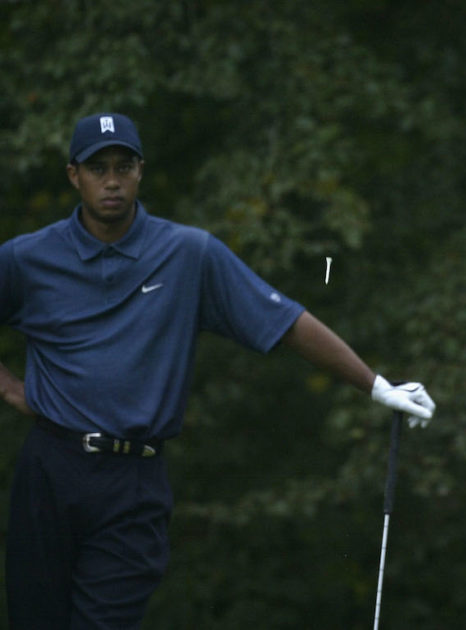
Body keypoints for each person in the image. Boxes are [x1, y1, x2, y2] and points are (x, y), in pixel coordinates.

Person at [0, 112, 436, 629]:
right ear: (75, 175)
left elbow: (287, 320)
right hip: (49, 469)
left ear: (141, 171)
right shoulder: (27, 258)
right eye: (98, 169)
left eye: (123, 166)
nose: (111, 180)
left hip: (133, 483)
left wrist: (377, 385)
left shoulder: (188, 254)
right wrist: (11, 389)